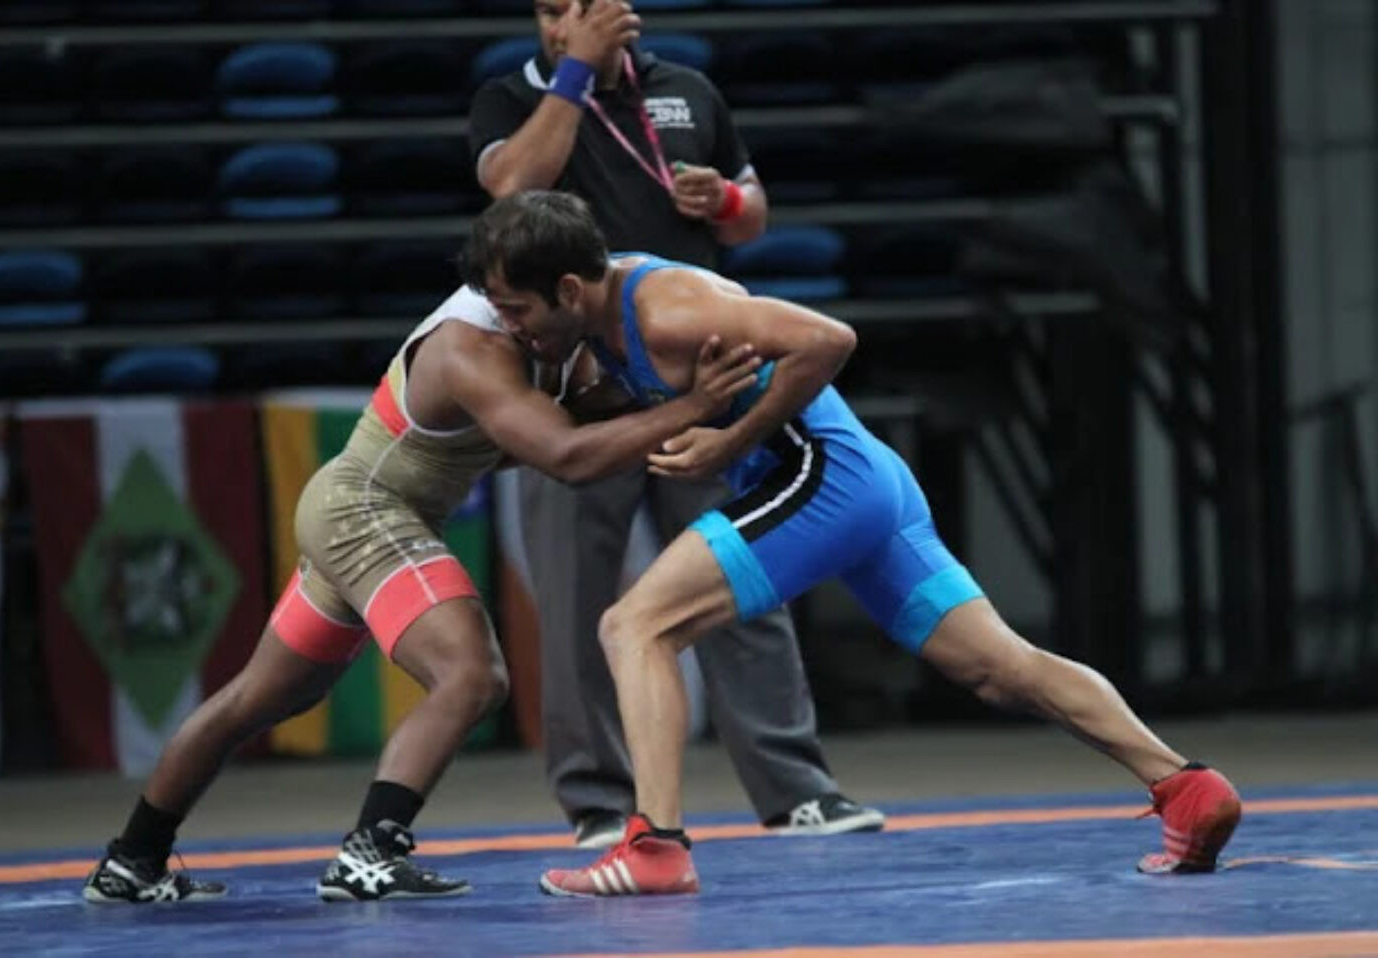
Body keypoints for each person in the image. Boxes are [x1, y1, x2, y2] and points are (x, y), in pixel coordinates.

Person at [456, 190, 1245, 898]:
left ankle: (655, 846)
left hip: (824, 476)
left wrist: (731, 446)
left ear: (567, 290)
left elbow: (828, 338)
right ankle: (1184, 785)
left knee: (635, 625)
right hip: (864, 488)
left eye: (516, 310)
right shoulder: (596, 330)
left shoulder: (667, 308)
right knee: (999, 668)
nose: (512, 329)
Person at [80, 279, 763, 904]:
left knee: (260, 697)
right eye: (509, 307)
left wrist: (675, 392)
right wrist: (697, 405)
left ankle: (131, 860)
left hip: (360, 511)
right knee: (471, 675)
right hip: (367, 512)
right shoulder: (473, 345)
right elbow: (566, 457)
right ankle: (370, 851)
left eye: (523, 311)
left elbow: (587, 409)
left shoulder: (555, 336)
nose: (516, 323)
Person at [468, 0, 881, 848]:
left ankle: (794, 789)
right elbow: (516, 185)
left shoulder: (687, 92)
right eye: (549, 12)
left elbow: (754, 210)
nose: (560, 26)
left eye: (579, 10)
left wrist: (725, 198)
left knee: (741, 576)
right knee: (578, 595)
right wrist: (575, 71)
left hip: (699, 366)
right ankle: (599, 804)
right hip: (580, 378)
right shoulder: (513, 97)